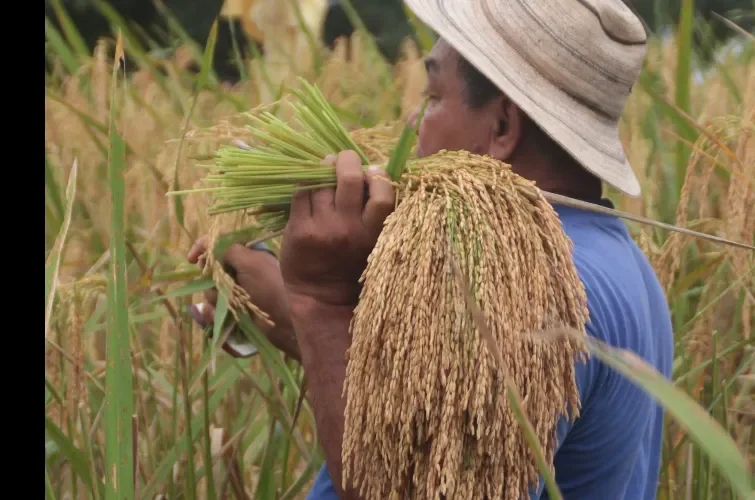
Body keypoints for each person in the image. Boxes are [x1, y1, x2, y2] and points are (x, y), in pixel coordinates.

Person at [188, 1, 674, 498]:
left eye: (434, 95)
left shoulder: (534, 289)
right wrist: (295, 319)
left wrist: (321, 300)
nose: (412, 119)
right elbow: (427, 422)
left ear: (503, 126)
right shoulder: (615, 262)